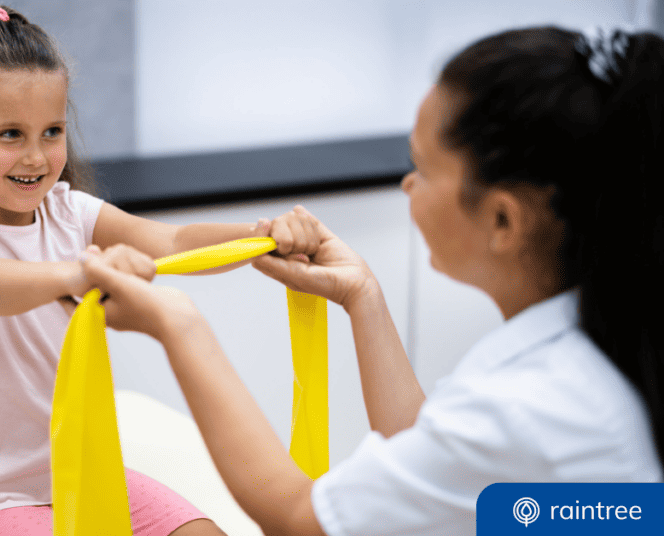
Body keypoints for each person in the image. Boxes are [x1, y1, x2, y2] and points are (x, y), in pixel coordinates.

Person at [79, 26, 664, 535]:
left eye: (422, 168)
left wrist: (178, 326)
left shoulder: (531, 410)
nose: (408, 186)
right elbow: (441, 475)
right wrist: (363, 297)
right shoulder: (596, 351)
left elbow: (300, 521)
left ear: (502, 219)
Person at [0, 5, 314, 535]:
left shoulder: (70, 211)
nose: (36, 156)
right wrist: (77, 274)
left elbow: (172, 240)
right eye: (10, 134)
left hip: (86, 472)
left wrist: (263, 236)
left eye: (51, 131)